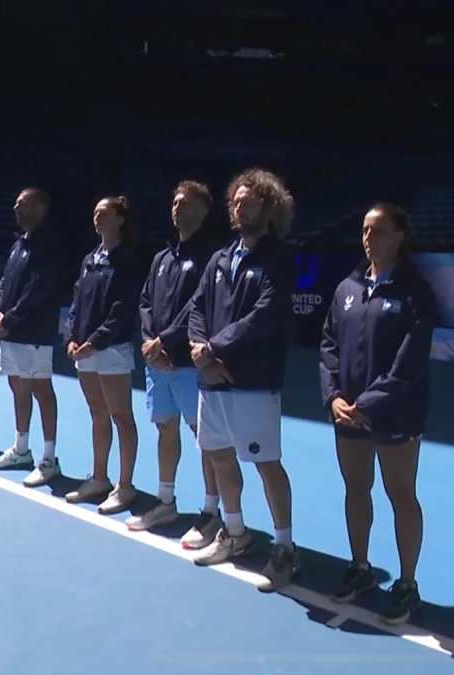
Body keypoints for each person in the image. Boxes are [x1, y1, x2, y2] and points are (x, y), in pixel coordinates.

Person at [319, 203, 435, 625]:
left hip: (396, 414)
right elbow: (329, 346)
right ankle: (360, 567)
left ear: (399, 236)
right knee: (356, 488)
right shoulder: (347, 288)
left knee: (400, 495)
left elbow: (409, 362)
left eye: (379, 230)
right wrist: (333, 397)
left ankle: (407, 584)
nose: (369, 237)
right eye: (366, 230)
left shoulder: (416, 290)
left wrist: (366, 405)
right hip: (347, 413)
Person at [187, 168, 299, 592]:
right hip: (212, 380)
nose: (239, 208)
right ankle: (235, 532)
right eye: (236, 202)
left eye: (248, 202)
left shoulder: (278, 259)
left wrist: (212, 348)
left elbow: (263, 316)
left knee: (266, 464)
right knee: (218, 455)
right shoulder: (220, 257)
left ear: (269, 208)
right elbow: (197, 308)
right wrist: (201, 351)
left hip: (252, 380)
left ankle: (285, 548)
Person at [127, 181, 225, 552]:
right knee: (165, 429)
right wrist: (150, 342)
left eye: (185, 202)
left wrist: (164, 342)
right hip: (157, 362)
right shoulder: (162, 257)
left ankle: (211, 512)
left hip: (188, 363)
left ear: (203, 210)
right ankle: (166, 502)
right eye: (174, 201)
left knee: (205, 437)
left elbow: (198, 307)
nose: (177, 207)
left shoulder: (212, 256)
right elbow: (145, 302)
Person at [63, 196, 143, 515]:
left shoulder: (127, 261)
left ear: (120, 219)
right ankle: (99, 478)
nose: (97, 217)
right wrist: (71, 337)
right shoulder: (89, 259)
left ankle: (125, 486)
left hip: (112, 350)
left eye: (104, 213)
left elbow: (122, 310)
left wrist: (95, 341)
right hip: (85, 350)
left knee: (120, 415)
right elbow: (77, 303)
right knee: (97, 412)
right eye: (95, 212)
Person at [0, 188, 68, 487]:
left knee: (41, 391)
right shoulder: (19, 244)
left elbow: (39, 287)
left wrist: (10, 319)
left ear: (40, 208)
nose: (16, 207)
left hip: (35, 332)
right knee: (17, 386)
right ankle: (20, 450)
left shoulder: (48, 244)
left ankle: (49, 459)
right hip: (12, 332)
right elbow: (5, 283)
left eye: (23, 203)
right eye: (16, 202)